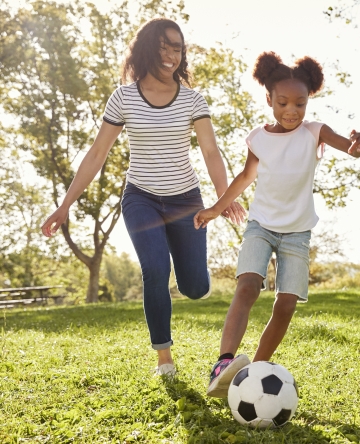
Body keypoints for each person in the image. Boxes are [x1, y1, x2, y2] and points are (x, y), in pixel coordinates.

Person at [40, 18, 245, 377]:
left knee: (195, 288)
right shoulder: (124, 97)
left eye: (177, 48)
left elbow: (211, 152)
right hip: (141, 198)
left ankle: (192, 276)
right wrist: (65, 204)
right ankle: (164, 359)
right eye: (164, 46)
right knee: (154, 269)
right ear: (148, 48)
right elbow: (97, 153)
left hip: (186, 201)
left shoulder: (193, 100)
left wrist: (223, 197)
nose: (171, 55)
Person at [194, 51, 360, 398]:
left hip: (297, 232)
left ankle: (253, 372)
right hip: (261, 225)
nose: (291, 111)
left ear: (309, 102)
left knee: (286, 305)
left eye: (300, 104)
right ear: (269, 99)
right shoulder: (258, 138)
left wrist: (359, 145)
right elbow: (246, 176)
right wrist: (217, 208)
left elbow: (348, 149)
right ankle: (224, 362)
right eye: (283, 102)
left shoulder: (314, 132)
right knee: (247, 286)